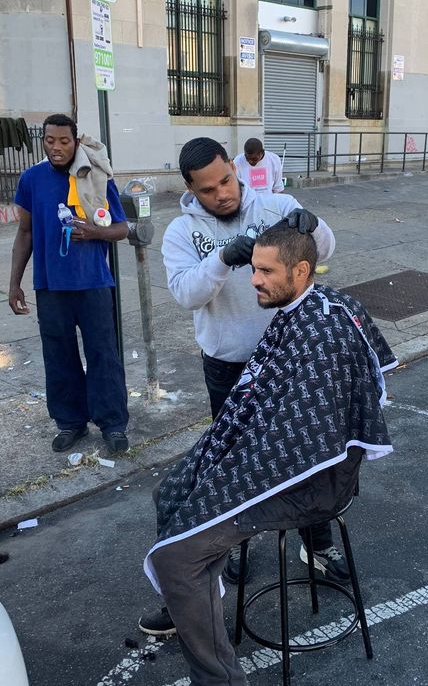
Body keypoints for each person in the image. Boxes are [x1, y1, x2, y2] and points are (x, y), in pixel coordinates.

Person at [145, 222, 396, 686]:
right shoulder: (306, 309)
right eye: (253, 269)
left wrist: (231, 470)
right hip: (285, 463)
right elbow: (272, 413)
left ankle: (219, 678)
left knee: (175, 558)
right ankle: (197, 601)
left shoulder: (322, 331)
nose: (254, 280)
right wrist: (226, 455)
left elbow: (306, 438)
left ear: (300, 271)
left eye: (265, 271)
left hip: (312, 483)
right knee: (170, 491)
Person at [139, 137, 338, 638]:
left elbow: (324, 252)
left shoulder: (275, 206)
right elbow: (186, 294)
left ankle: (318, 545)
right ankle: (225, 551)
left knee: (305, 453)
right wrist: (223, 259)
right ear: (190, 189)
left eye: (226, 180)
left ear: (233, 168)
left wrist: (313, 224)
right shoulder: (182, 232)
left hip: (289, 357)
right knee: (232, 464)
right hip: (228, 366)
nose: (222, 194)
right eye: (208, 190)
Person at [8, 114, 131, 454]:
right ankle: (70, 422)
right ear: (43, 141)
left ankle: (113, 424)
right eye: (50, 141)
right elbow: (25, 233)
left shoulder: (94, 175)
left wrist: (94, 233)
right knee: (58, 357)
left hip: (93, 283)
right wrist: (14, 283)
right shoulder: (31, 179)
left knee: (103, 355)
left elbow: (122, 228)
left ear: (76, 142)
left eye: (64, 141)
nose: (57, 147)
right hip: (50, 286)